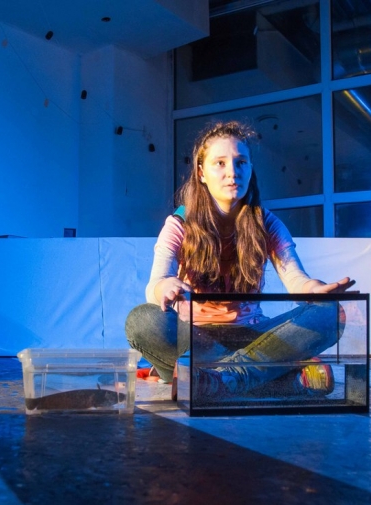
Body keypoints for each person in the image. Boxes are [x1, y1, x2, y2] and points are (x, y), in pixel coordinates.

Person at [124, 120, 355, 401]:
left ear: (250, 168)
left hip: (254, 334)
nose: (232, 172)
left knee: (329, 313)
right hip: (196, 338)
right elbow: (155, 286)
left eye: (241, 162)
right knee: (141, 321)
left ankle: (221, 379)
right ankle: (272, 376)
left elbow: (295, 277)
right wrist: (164, 286)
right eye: (220, 163)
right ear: (201, 173)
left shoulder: (267, 222)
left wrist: (313, 289)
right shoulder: (179, 224)